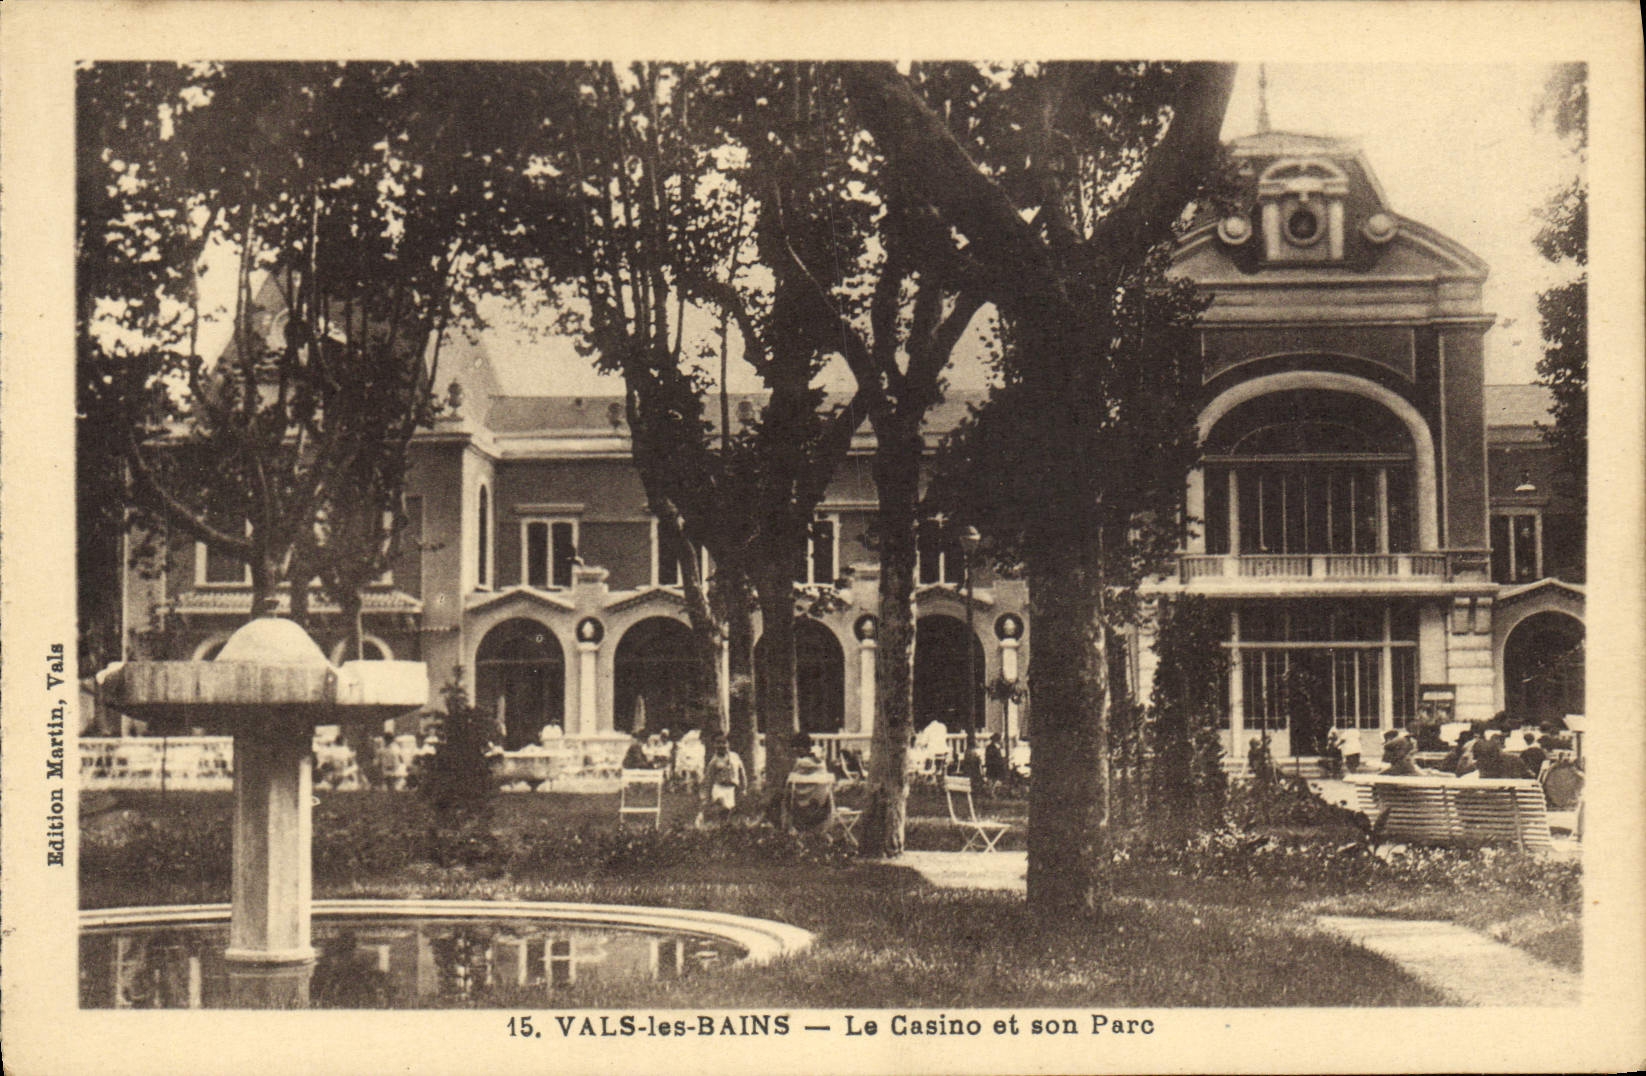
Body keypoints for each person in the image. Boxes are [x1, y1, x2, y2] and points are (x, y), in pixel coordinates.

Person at [783, 732, 836, 831]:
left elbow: (789, 788)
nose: (796, 753)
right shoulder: (822, 764)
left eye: (796, 749)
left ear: (800, 749)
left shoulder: (800, 764)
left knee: (780, 797)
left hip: (800, 811)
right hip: (823, 809)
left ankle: (785, 830)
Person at [699, 735, 747, 824]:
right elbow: (709, 779)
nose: (721, 746)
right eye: (718, 743)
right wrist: (706, 796)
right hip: (719, 788)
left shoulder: (735, 757)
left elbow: (742, 772)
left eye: (724, 743)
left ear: (728, 744)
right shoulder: (714, 761)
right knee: (723, 809)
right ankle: (722, 827)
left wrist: (744, 788)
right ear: (714, 745)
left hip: (732, 788)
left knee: (731, 812)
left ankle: (726, 829)